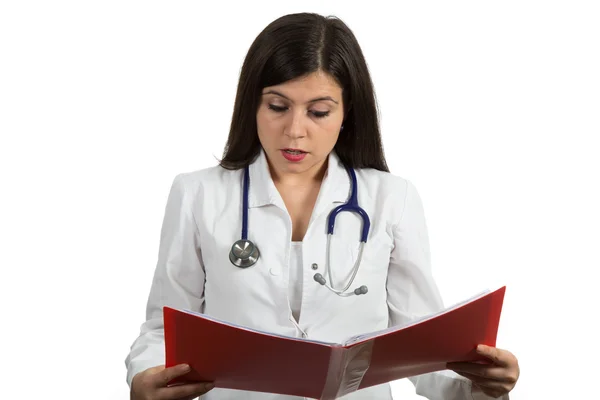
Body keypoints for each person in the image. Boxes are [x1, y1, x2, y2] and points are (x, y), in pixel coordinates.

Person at [125, 12, 520, 400]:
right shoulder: (198, 194)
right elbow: (164, 329)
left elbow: (421, 351)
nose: (295, 130)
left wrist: (477, 386)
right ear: (252, 106)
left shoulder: (391, 199)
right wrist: (145, 378)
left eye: (319, 112)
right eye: (278, 106)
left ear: (347, 114)